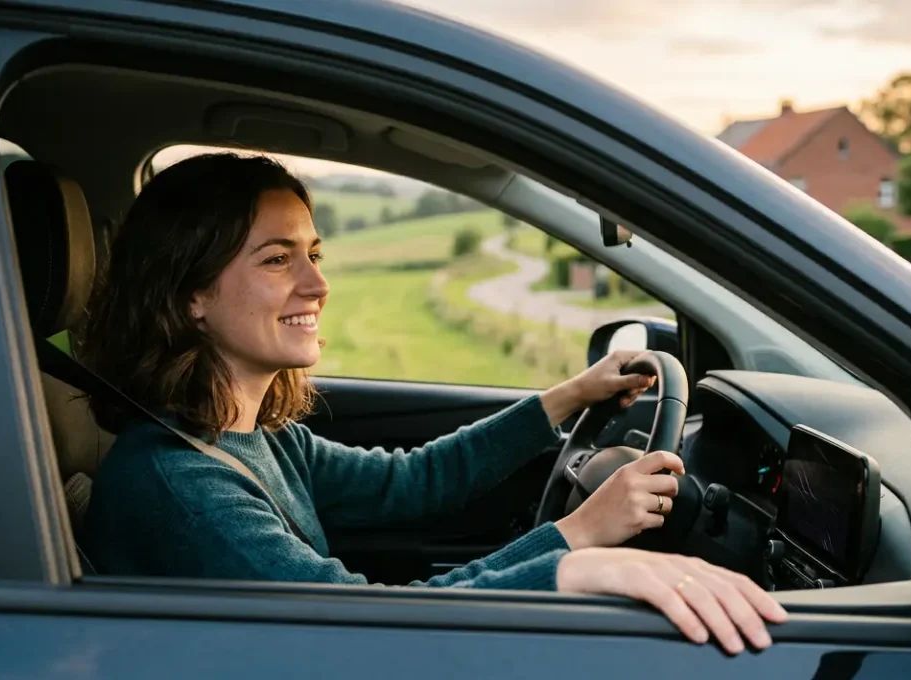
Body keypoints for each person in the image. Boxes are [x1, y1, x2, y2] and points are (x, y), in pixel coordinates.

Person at [77, 153, 785, 654]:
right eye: (276, 259)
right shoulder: (184, 488)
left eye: (314, 253)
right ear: (190, 294)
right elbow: (373, 628)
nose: (317, 286)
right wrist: (576, 546)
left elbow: (413, 481)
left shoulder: (255, 437)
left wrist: (567, 397)